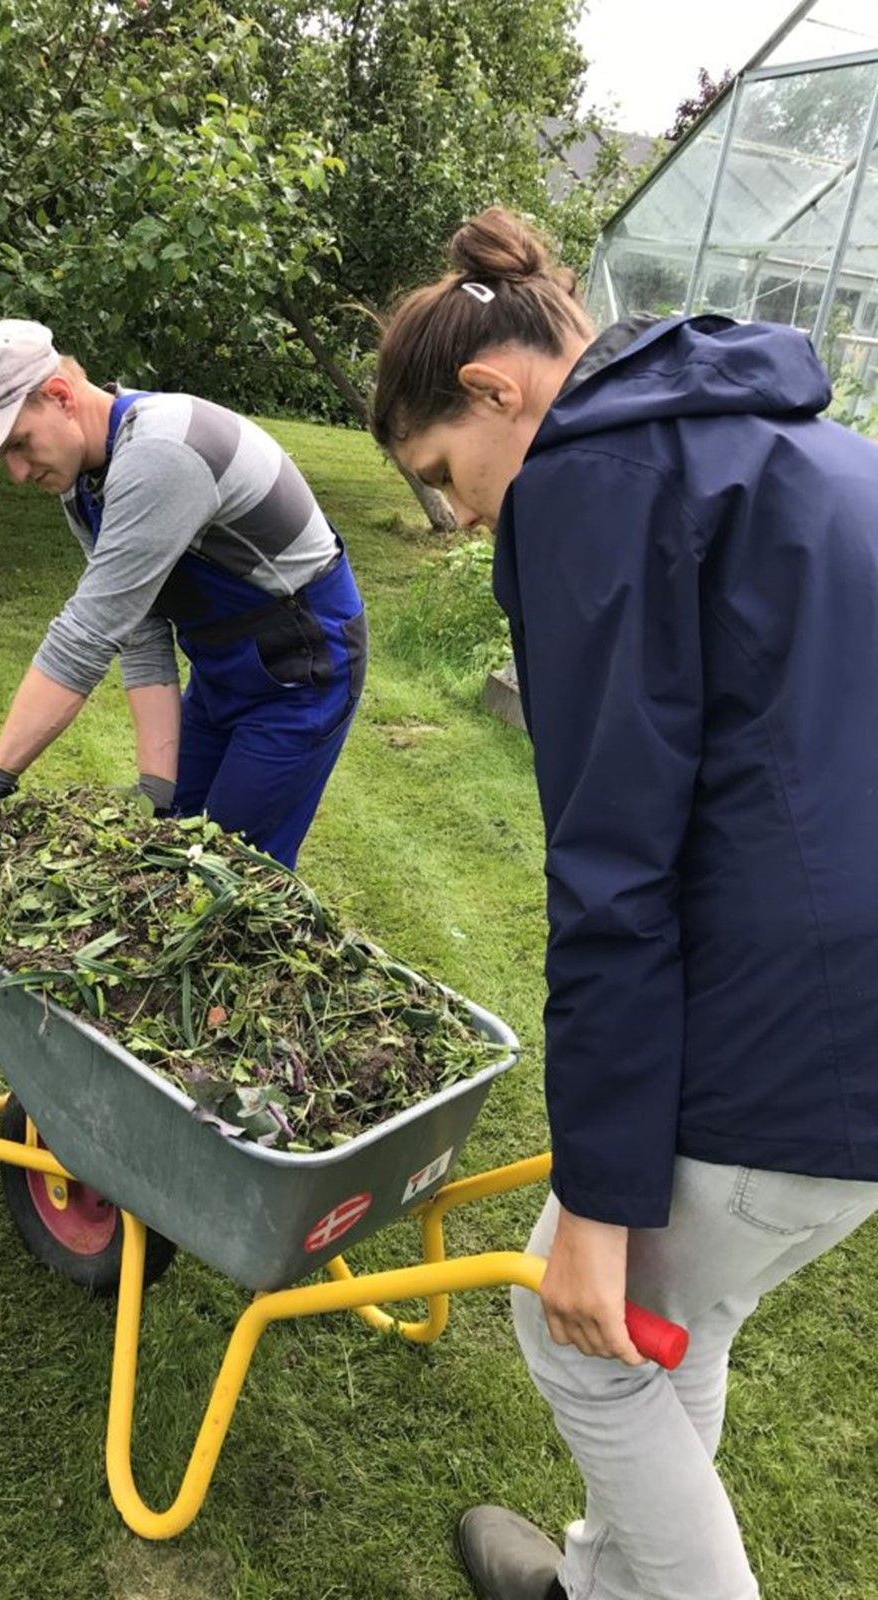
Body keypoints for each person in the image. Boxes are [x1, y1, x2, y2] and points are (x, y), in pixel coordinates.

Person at [371, 208, 878, 1600]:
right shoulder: (790, 444)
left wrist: (598, 1199)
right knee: (670, 1333)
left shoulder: (590, 487)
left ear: (497, 388)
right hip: (846, 1026)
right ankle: (606, 1582)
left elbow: (613, 872)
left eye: (445, 476)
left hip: (795, 1032)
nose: (462, 515)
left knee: (569, 1328)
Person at [0, 319, 366, 870]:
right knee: (167, 846)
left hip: (303, 667)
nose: (18, 473)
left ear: (61, 396)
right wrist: (155, 791)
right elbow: (136, 629)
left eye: (19, 444)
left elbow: (84, 640)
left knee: (230, 876)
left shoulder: (160, 456)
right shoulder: (84, 481)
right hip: (226, 668)